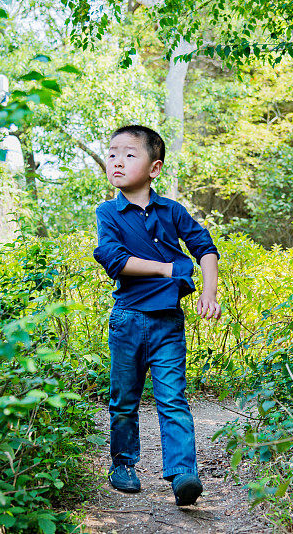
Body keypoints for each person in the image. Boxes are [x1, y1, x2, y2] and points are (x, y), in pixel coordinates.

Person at [93, 124, 221, 506]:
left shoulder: (172, 211)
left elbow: (205, 249)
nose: (117, 160)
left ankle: (183, 473)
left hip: (168, 322)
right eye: (112, 153)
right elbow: (114, 260)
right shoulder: (108, 212)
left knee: (173, 399)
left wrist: (209, 293)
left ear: (155, 168)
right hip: (127, 318)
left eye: (129, 154)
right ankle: (123, 465)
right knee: (123, 398)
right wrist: (169, 269)